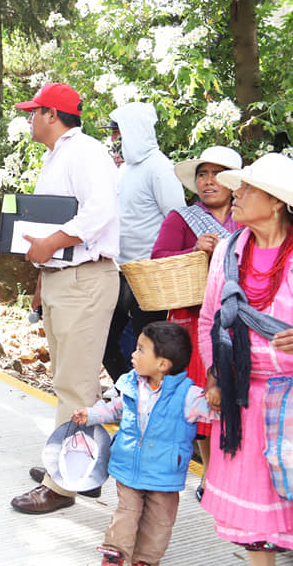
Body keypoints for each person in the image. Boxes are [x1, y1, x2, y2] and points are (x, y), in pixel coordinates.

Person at [9, 82, 120, 514]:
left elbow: (100, 211)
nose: (29, 118)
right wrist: (43, 270)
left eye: (34, 111)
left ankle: (61, 487)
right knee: (71, 383)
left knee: (75, 385)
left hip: (84, 280)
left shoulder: (85, 151)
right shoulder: (60, 155)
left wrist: (53, 242)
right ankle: (76, 467)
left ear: (52, 115)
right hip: (62, 279)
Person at [198, 153, 293, 564]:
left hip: (288, 406)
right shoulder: (228, 251)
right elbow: (208, 321)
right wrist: (217, 376)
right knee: (256, 531)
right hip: (244, 404)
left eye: (248, 188)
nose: (236, 193)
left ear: (276, 202)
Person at [74, 321, 216, 566]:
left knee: (159, 522)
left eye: (140, 350)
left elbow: (217, 413)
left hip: (165, 474)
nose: (133, 354)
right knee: (126, 513)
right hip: (128, 466)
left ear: (162, 364)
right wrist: (92, 415)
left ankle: (146, 560)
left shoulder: (189, 396)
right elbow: (115, 408)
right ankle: (115, 553)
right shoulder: (130, 383)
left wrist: (221, 397)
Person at [151, 145, 242, 502]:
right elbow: (157, 263)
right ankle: (209, 472)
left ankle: (231, 470)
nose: (208, 181)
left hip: (240, 319)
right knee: (203, 397)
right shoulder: (182, 219)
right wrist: (192, 253)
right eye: (202, 174)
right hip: (194, 320)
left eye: (217, 174)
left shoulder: (249, 218)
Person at [102, 102, 185, 383]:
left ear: (133, 131)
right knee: (105, 341)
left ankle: (150, 402)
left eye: (117, 131)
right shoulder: (126, 169)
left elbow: (178, 219)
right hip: (120, 272)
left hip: (150, 276)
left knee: (150, 349)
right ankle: (130, 394)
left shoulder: (160, 169)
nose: (114, 138)